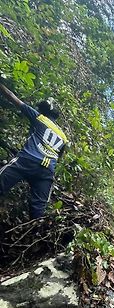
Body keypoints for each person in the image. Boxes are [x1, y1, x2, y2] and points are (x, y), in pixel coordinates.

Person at [0, 83, 68, 219]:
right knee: (38, 213)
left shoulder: (39, 118)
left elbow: (12, 97)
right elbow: (58, 157)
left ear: (44, 111)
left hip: (27, 160)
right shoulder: (63, 136)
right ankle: (35, 236)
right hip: (47, 171)